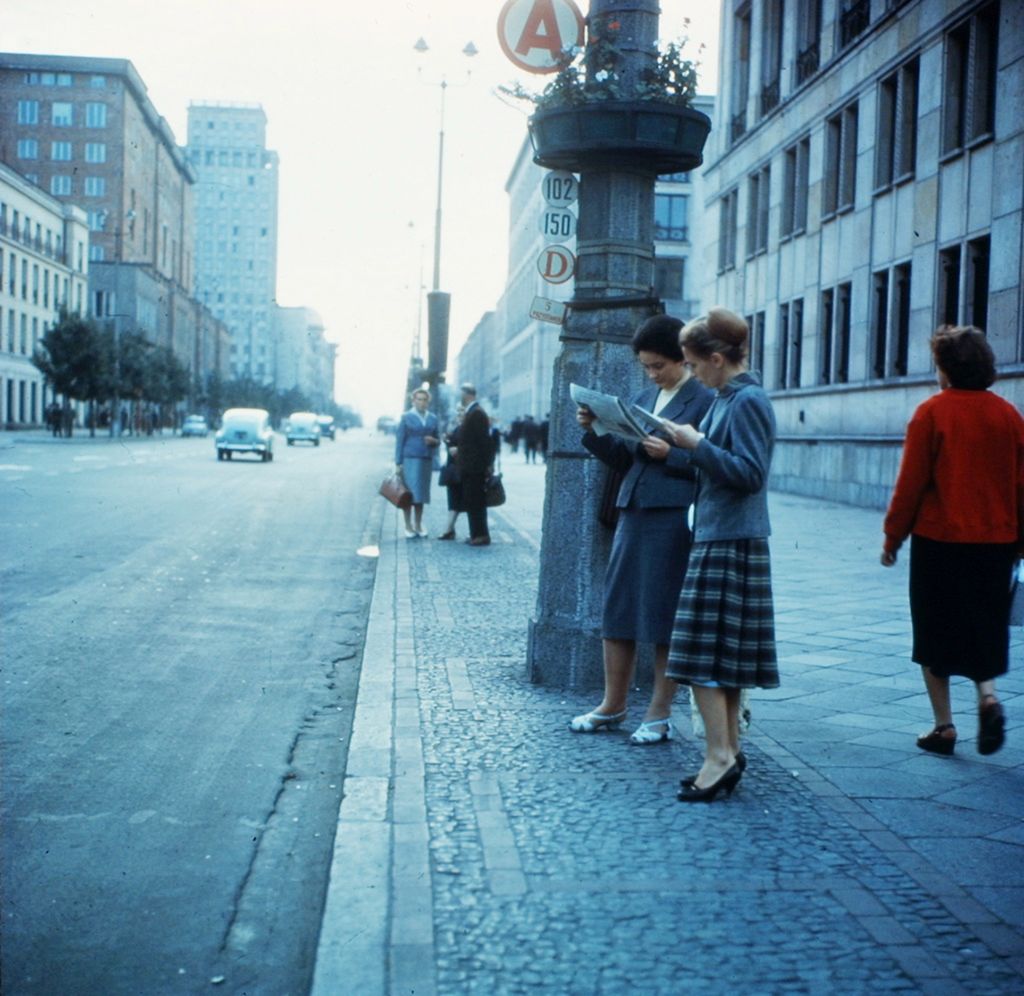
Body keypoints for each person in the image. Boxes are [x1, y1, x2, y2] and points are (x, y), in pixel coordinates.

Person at [881, 326, 1024, 757]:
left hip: (939, 541)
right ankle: (988, 695)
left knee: (933, 631)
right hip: (996, 541)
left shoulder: (931, 413)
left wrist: (893, 537)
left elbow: (911, 484)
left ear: (946, 369)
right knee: (984, 624)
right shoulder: (1009, 416)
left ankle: (943, 725)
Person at [571, 314, 714, 744]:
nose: (651, 374)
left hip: (672, 516)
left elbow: (713, 463)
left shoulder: (704, 400)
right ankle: (612, 704)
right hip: (632, 510)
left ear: (683, 359)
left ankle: (658, 712)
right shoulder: (644, 396)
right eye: (646, 366)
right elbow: (625, 457)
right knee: (618, 610)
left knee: (661, 614)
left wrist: (670, 453)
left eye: (658, 366)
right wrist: (595, 430)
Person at [659, 308, 779, 802]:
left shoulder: (747, 400)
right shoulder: (729, 397)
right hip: (721, 535)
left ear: (715, 358)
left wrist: (698, 443)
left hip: (729, 539)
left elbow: (750, 473)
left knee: (700, 654)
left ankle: (720, 755)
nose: (693, 374)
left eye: (693, 364)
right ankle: (725, 750)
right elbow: (718, 464)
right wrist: (679, 448)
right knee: (721, 657)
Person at [394, 388, 440, 538]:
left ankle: (418, 524)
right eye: (418, 399)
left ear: (428, 401)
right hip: (410, 459)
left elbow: (438, 439)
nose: (422, 402)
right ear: (413, 401)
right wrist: (398, 462)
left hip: (425, 460)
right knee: (409, 494)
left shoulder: (433, 418)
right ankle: (408, 525)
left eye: (424, 399)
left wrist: (434, 441)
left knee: (421, 494)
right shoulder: (406, 417)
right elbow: (400, 441)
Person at [457, 384, 492, 546]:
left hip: (475, 467)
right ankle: (475, 534)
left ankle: (481, 535)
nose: (460, 397)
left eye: (461, 394)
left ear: (468, 395)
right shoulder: (473, 412)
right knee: (472, 501)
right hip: (470, 466)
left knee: (476, 501)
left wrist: (487, 465)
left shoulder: (476, 413)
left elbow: (484, 442)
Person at [438, 406, 464, 540]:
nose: (459, 415)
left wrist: (458, 448)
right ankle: (450, 529)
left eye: (462, 412)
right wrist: (447, 440)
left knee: (455, 499)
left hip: (460, 467)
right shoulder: (456, 427)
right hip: (453, 466)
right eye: (458, 412)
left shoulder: (466, 428)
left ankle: (448, 529)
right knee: (453, 499)